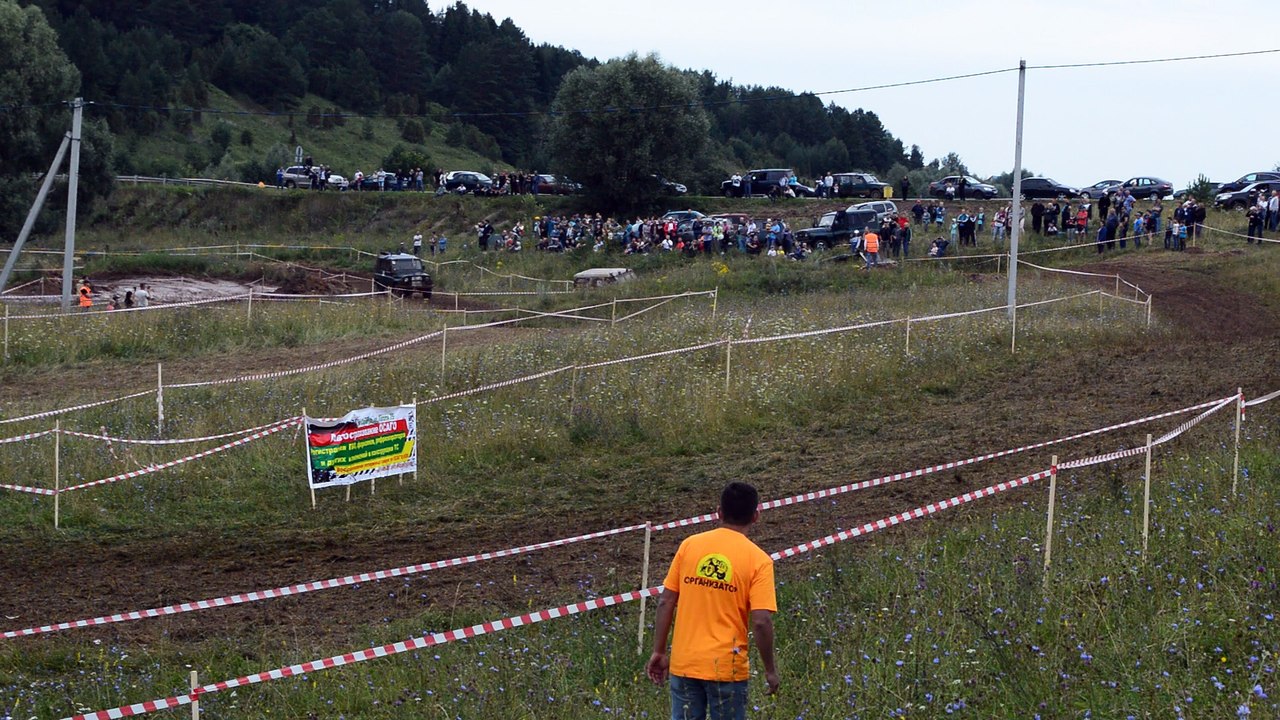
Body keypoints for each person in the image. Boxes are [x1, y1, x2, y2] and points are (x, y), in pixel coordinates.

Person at [646, 482, 778, 719]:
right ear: (755, 516)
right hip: (727, 668)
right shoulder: (759, 561)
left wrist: (659, 650)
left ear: (719, 512)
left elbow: (666, 601)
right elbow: (760, 621)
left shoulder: (689, 545)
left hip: (685, 664)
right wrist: (770, 670)